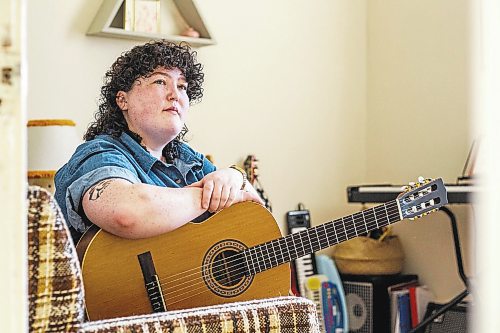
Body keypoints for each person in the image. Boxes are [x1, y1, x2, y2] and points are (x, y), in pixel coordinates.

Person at [54, 40, 263, 242]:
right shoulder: (100, 153)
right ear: (122, 100)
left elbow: (260, 225)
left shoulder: (188, 161)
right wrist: (210, 197)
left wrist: (235, 177)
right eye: (160, 81)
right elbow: (126, 213)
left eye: (182, 86)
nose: (175, 95)